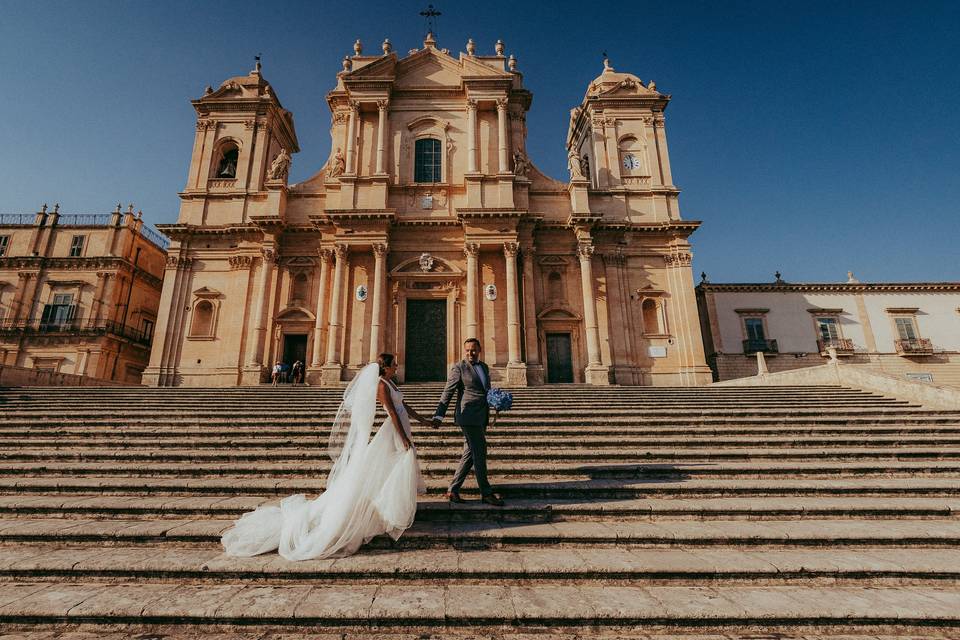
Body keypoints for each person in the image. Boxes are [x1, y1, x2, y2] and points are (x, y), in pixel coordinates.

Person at [221, 354, 433, 560]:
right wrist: (403, 436)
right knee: (391, 467)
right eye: (394, 364)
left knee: (390, 468)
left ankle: (389, 508)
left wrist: (425, 421)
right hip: (394, 431)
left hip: (401, 428)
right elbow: (393, 412)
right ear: (386, 367)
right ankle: (389, 510)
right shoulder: (381, 385)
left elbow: (403, 407)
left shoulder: (391, 383)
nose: (397, 366)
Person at [432, 338, 505, 506]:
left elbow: (486, 391)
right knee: (479, 451)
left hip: (481, 415)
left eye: (473, 350)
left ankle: (453, 490)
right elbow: (448, 391)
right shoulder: (459, 368)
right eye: (467, 350)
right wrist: (439, 415)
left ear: (479, 349)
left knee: (470, 453)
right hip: (467, 415)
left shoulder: (485, 367)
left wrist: (496, 402)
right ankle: (486, 493)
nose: (470, 353)